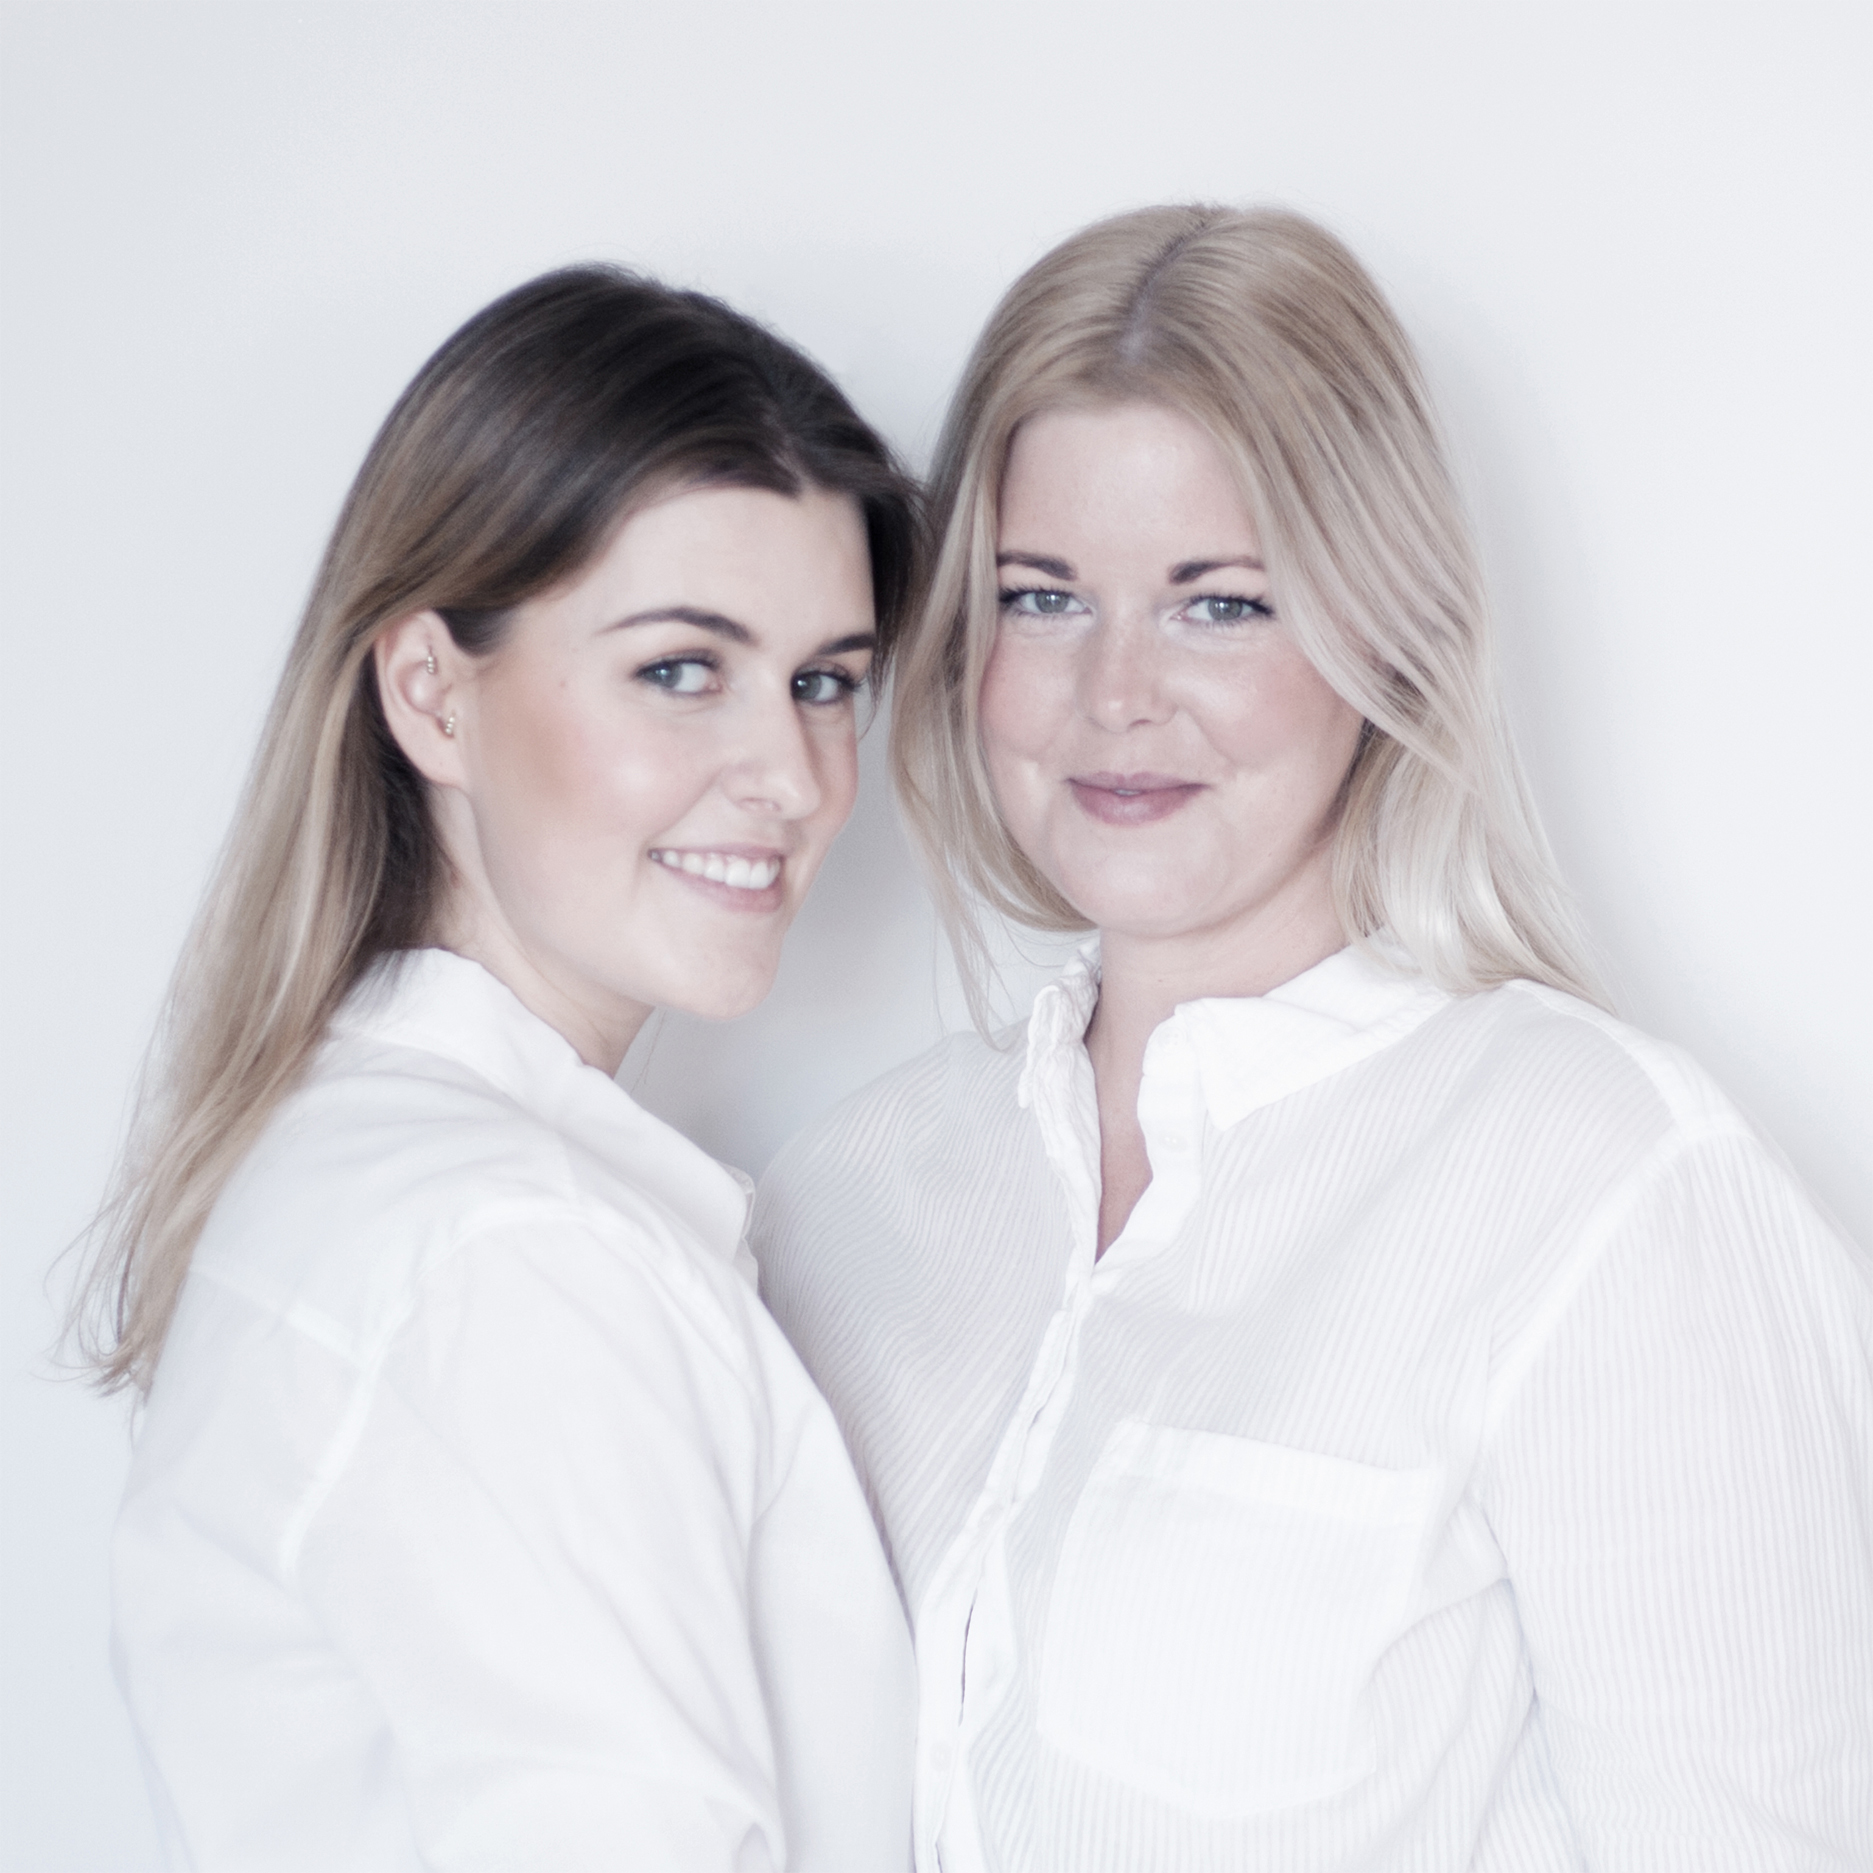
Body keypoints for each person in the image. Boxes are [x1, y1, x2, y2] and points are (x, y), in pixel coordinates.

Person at [755, 205, 1873, 1870]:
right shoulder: (834, 1202)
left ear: (1382, 633)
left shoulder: (1609, 1188)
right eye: (1043, 597)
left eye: (1219, 604)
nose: (1116, 693)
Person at [79, 266, 920, 1870]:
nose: (792, 774)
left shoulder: (375, 1169)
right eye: (681, 668)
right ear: (432, 694)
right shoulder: (509, 1258)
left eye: (823, 680)